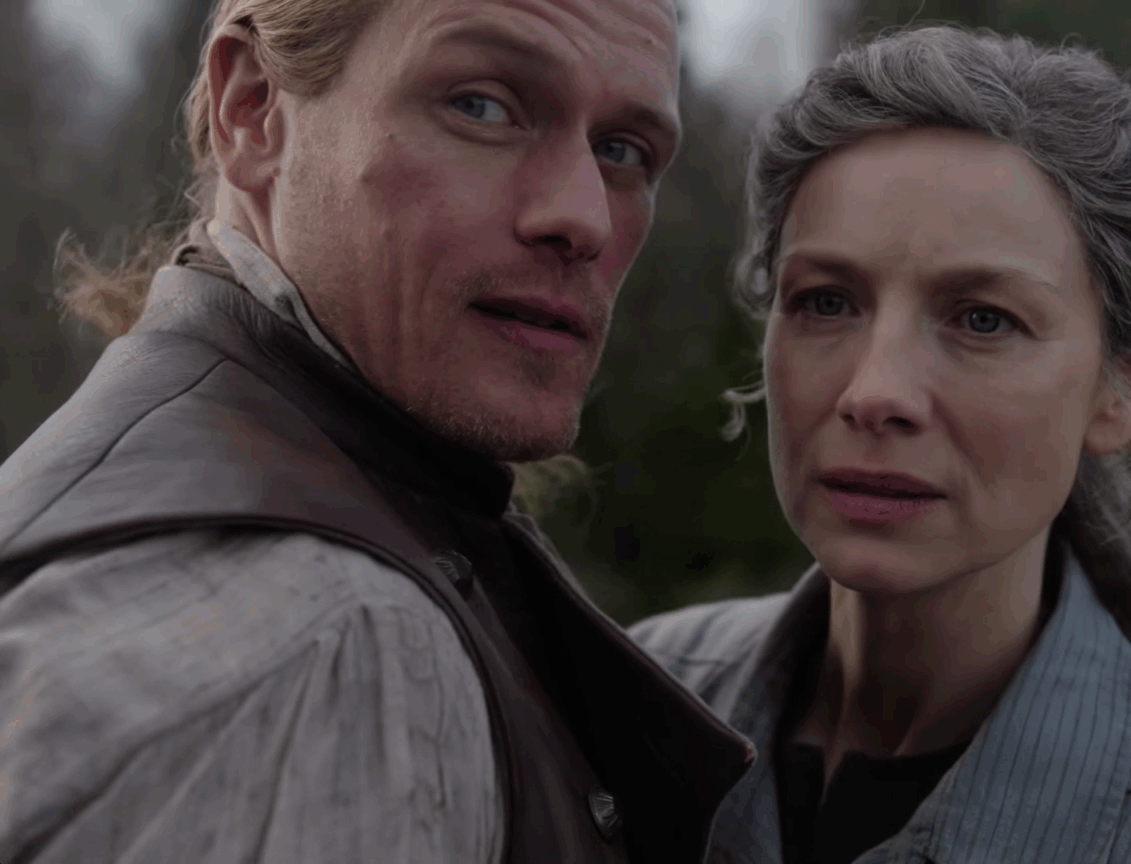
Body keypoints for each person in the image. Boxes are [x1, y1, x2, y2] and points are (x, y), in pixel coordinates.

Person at [0, 0, 755, 861]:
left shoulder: (146, 473)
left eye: (622, 151)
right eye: (481, 105)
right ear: (252, 108)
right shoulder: (331, 649)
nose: (585, 217)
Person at [630, 24, 1131, 864]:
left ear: (1123, 390)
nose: (875, 392)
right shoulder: (633, 701)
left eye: (983, 320)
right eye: (826, 302)